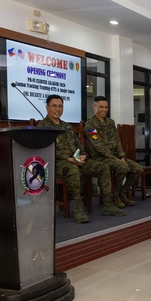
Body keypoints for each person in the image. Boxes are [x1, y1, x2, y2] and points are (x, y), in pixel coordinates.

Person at [39, 94, 124, 222]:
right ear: (47, 107)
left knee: (103, 167)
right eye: (54, 106)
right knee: (73, 170)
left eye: (60, 106)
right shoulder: (42, 126)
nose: (57, 109)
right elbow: (46, 149)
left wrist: (83, 155)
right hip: (59, 162)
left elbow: (79, 145)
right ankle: (78, 209)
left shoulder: (67, 126)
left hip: (78, 160)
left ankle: (108, 204)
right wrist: (69, 159)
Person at [83, 96, 144, 206]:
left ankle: (122, 193)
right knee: (122, 166)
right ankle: (114, 197)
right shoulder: (90, 126)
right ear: (94, 107)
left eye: (106, 107)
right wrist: (115, 158)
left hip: (115, 157)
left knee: (137, 169)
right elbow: (98, 146)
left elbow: (117, 141)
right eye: (101, 107)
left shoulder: (110, 123)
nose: (104, 110)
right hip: (100, 158)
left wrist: (121, 156)